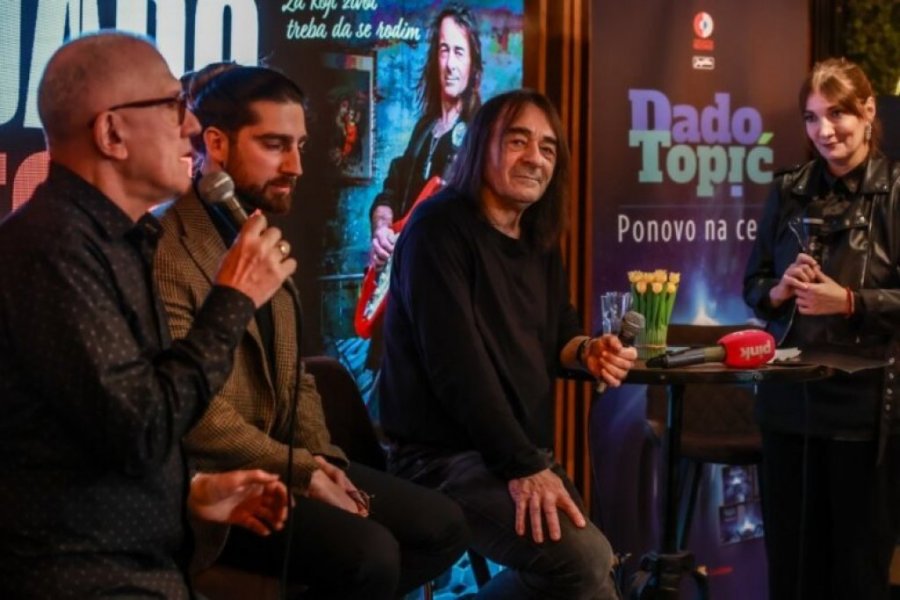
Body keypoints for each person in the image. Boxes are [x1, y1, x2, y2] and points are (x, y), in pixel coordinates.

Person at [155, 63, 470, 599]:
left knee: (444, 526)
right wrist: (304, 472)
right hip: (214, 487)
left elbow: (295, 375)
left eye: (299, 145)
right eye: (275, 145)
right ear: (216, 144)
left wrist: (323, 461)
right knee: (372, 555)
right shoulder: (166, 248)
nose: (296, 166)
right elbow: (194, 417)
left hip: (284, 464)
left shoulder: (255, 230)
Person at [0, 31, 294, 599]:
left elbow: (93, 435)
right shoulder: (51, 249)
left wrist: (192, 491)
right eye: (173, 105)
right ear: (112, 133)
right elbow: (142, 427)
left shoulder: (118, 240)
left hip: (137, 559)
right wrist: (233, 299)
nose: (191, 126)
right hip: (84, 576)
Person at [379, 89, 637, 600]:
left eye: (547, 148)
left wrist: (587, 351)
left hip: (511, 448)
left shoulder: (536, 236)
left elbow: (559, 333)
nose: (535, 158)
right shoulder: (437, 229)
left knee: (597, 570)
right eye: (518, 141)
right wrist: (523, 466)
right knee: (584, 563)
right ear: (482, 146)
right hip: (440, 459)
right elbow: (458, 370)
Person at [743, 57, 900, 600]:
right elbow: (754, 284)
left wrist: (850, 301)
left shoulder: (895, 190)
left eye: (838, 114)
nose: (824, 130)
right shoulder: (788, 189)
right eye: (812, 117)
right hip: (788, 406)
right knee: (792, 570)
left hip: (867, 413)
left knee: (857, 575)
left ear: (868, 111)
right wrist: (780, 291)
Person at [364, 2, 483, 370]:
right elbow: (390, 188)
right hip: (399, 295)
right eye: (444, 50)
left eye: (459, 52)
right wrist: (382, 229)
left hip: (441, 303)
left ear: (473, 64)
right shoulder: (423, 128)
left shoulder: (480, 134)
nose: (450, 64)